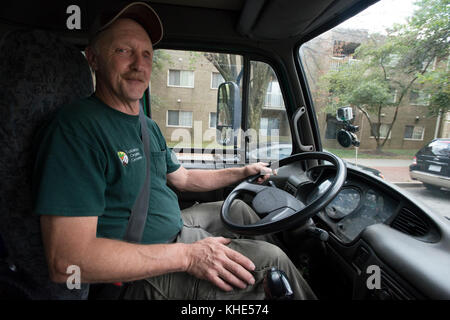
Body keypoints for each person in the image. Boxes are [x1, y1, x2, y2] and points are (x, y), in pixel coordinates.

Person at [33, 2, 316, 300]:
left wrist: (243, 172)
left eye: (146, 54)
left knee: (242, 210)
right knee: (274, 263)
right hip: (133, 276)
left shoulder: (145, 125)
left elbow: (183, 179)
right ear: (93, 58)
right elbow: (67, 262)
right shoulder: (76, 129)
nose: (138, 65)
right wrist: (189, 256)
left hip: (174, 229)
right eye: (123, 51)